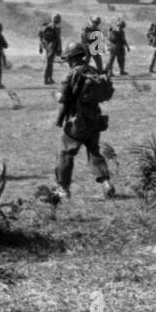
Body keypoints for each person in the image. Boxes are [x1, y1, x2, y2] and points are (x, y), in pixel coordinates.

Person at [53, 42, 116, 202]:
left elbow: (62, 97)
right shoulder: (93, 70)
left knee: (65, 152)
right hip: (94, 118)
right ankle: (106, 183)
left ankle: (63, 189)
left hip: (76, 121)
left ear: (72, 59)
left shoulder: (72, 74)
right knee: (93, 150)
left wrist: (56, 95)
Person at [39, 14, 62, 85]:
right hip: (52, 46)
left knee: (49, 62)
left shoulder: (45, 26)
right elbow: (58, 39)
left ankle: (49, 78)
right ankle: (46, 79)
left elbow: (41, 37)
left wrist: (40, 47)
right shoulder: (55, 27)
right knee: (49, 63)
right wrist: (60, 48)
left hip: (46, 46)